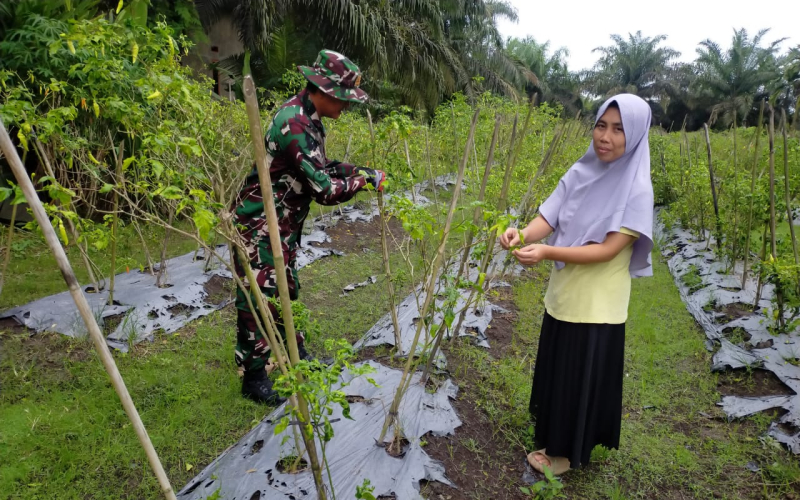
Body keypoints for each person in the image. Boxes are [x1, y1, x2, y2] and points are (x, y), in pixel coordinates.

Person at [500, 94, 654, 475]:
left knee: (578, 374)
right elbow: (548, 216)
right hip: (566, 294)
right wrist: (521, 234)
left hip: (598, 305)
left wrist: (548, 253)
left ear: (635, 136)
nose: (606, 136)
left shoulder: (637, 190)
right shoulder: (581, 171)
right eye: (602, 125)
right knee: (561, 368)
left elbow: (607, 250)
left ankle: (565, 455)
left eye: (619, 129)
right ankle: (554, 433)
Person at [232, 50, 386, 404]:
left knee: (287, 290)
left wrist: (362, 171)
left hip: (282, 223)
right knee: (259, 297)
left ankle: (297, 359)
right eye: (344, 99)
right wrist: (364, 182)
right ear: (325, 91)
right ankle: (253, 377)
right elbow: (325, 190)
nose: (346, 107)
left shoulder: (308, 118)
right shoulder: (295, 123)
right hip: (259, 223)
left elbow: (323, 166)